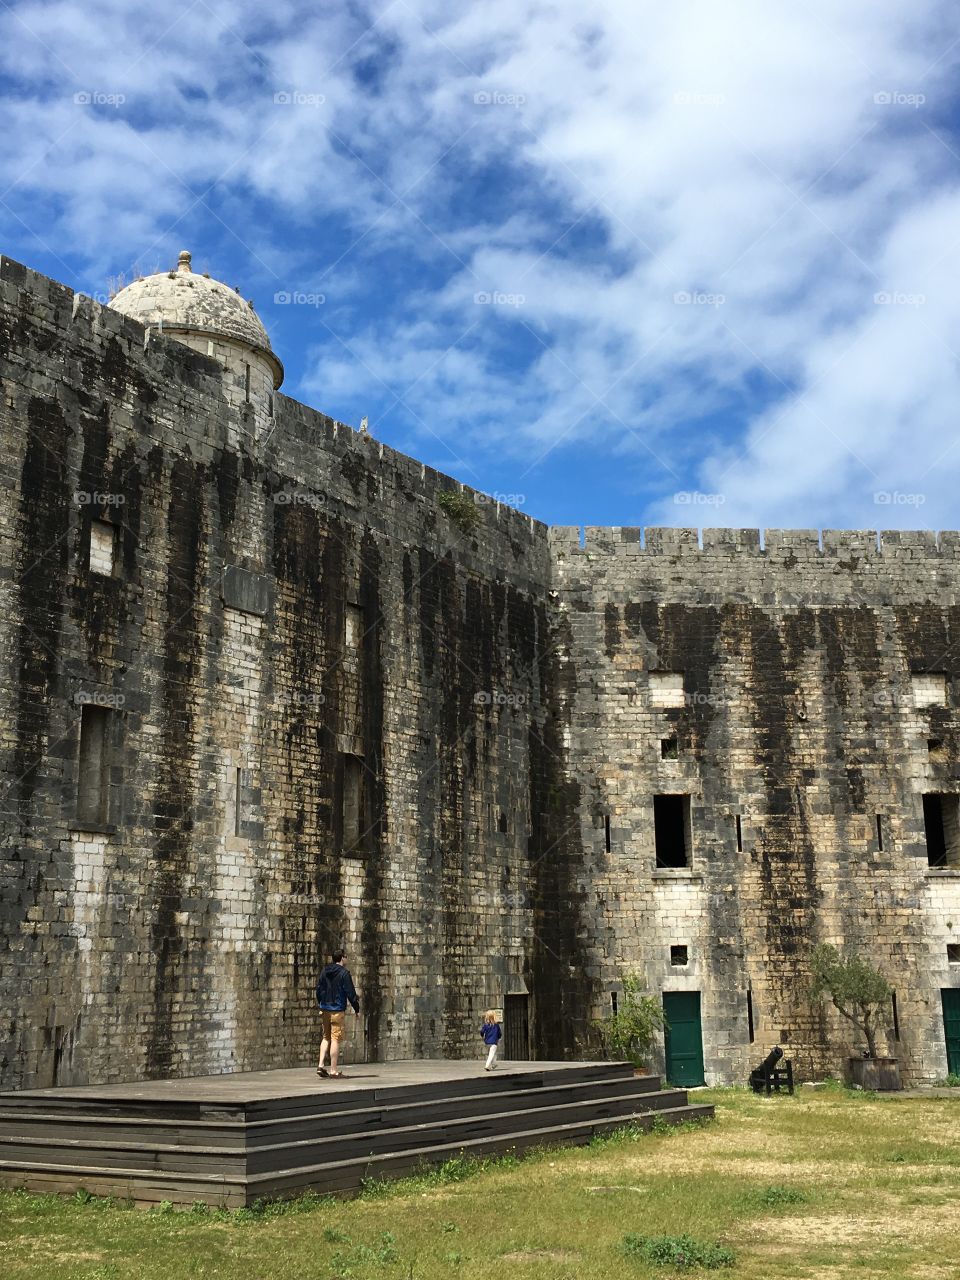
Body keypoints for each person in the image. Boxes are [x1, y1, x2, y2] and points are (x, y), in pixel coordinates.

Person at [315, 949, 360, 1078]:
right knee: (335, 1039)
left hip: (324, 1008)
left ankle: (321, 1065)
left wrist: (321, 1003)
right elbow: (350, 993)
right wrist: (357, 1009)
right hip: (336, 1009)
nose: (347, 959)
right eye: (346, 957)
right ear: (341, 958)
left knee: (325, 1037)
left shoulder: (325, 971)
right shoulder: (344, 973)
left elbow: (319, 989)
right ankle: (333, 1070)